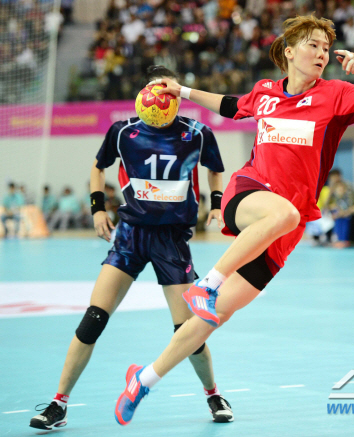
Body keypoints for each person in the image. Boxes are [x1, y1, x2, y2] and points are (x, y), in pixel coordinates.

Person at [114, 14, 354, 425]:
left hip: (287, 226)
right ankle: (206, 285)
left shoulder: (335, 94)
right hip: (249, 191)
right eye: (313, 45)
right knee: (281, 215)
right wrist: (183, 91)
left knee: (212, 318)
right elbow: (231, 106)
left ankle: (143, 379)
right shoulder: (265, 92)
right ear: (289, 52)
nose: (322, 53)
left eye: (325, 47)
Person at [29, 65, 233, 431]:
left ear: (176, 93)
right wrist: (97, 209)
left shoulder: (197, 134)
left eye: (167, 89)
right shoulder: (123, 131)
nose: (160, 95)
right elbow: (98, 167)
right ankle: (58, 404)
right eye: (154, 88)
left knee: (187, 330)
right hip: (130, 235)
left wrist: (217, 205)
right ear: (143, 93)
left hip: (171, 239)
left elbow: (215, 169)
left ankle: (213, 394)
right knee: (93, 319)